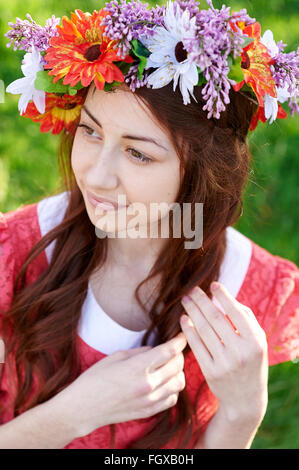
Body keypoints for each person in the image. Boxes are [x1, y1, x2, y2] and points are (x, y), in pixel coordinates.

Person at [0, 0, 298, 449]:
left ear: (201, 172)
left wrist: (242, 412)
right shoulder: (15, 254)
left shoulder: (253, 289)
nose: (96, 176)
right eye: (91, 130)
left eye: (138, 153)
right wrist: (73, 415)